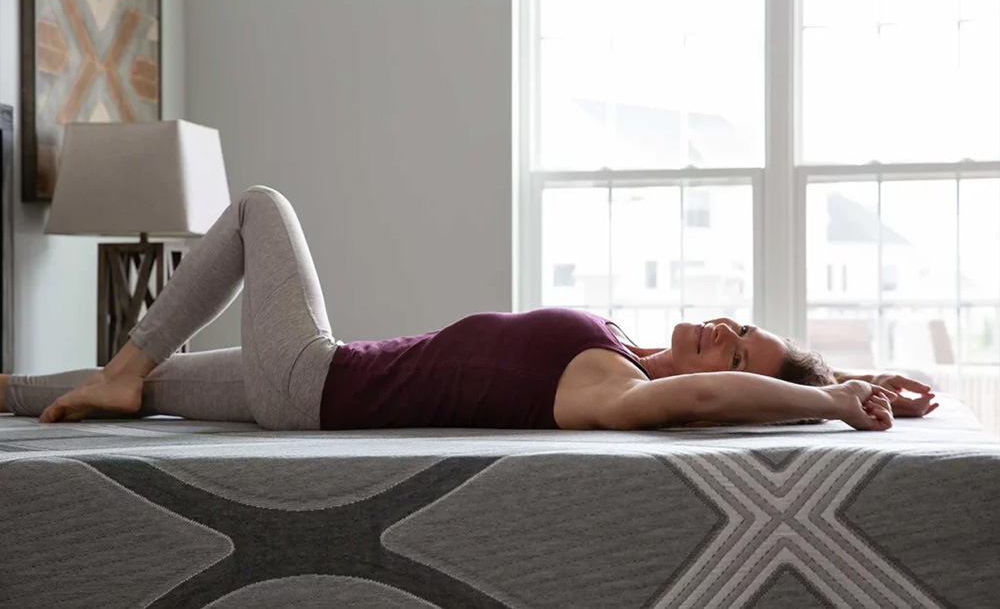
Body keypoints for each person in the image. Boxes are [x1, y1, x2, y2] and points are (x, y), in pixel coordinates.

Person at [0, 187, 938, 432]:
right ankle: (20, 390)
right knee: (147, 390)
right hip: (319, 380)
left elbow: (700, 401)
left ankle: (123, 367)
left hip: (310, 377)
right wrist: (852, 378)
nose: (726, 335)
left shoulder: (612, 391)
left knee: (257, 208)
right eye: (743, 326)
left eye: (736, 355)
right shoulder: (619, 349)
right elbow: (727, 383)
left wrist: (825, 403)